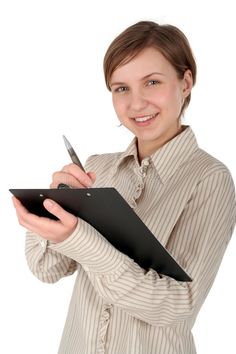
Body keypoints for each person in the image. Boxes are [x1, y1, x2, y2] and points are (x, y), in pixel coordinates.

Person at [12, 20, 236, 354]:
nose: (136, 103)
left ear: (185, 82)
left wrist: (81, 240)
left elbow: (176, 306)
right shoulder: (97, 168)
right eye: (121, 88)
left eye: (152, 82)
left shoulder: (210, 179)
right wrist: (51, 206)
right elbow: (47, 269)